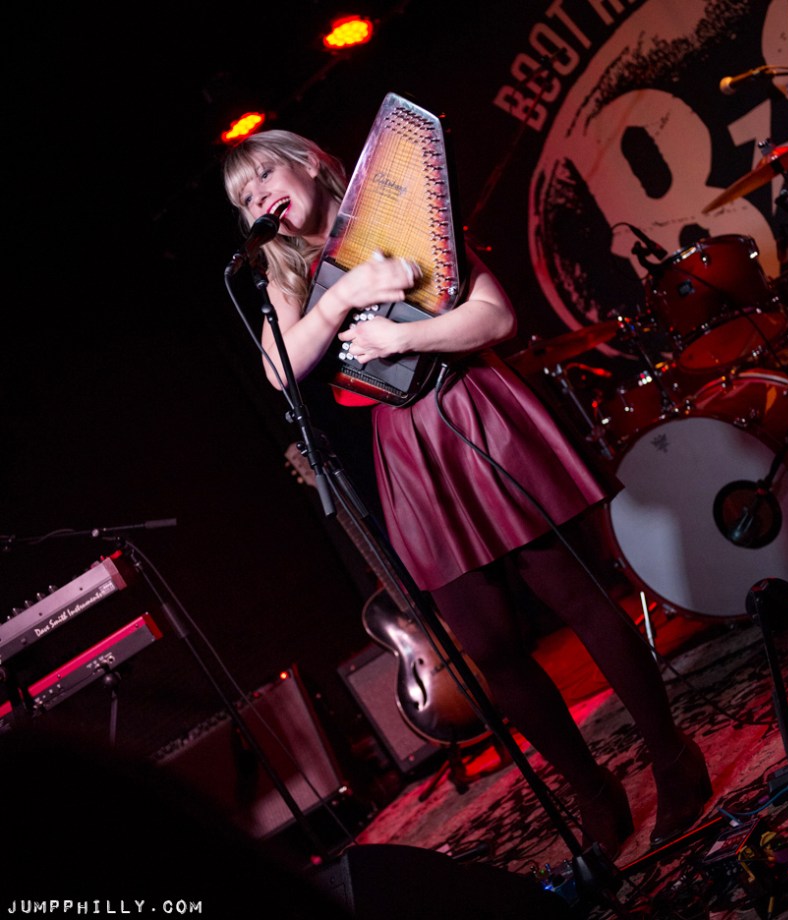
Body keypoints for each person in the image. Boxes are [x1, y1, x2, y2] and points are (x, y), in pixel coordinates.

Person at [221, 127, 712, 859]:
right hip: (404, 448)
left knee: (577, 599)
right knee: (486, 645)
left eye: (265, 176)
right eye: (243, 197)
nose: (258, 197)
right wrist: (347, 293)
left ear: (312, 165)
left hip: (472, 411)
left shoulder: (402, 214)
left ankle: (672, 759)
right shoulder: (283, 277)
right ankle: (589, 789)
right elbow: (278, 371)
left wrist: (403, 339)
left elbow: (496, 316)